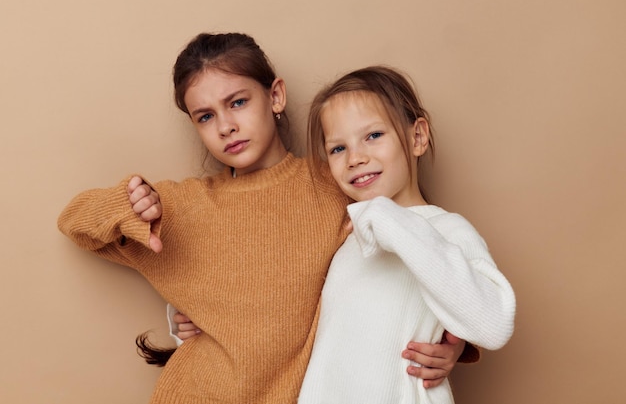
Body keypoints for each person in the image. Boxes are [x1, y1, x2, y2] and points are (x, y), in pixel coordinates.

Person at [57, 33, 473, 404]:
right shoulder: (183, 205)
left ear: (275, 96)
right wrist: (128, 206)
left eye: (238, 102)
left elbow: (419, 241)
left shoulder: (334, 181)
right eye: (205, 116)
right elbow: (73, 219)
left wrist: (454, 343)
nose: (226, 126)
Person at [297, 65, 517, 403]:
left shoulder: (447, 229)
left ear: (417, 137)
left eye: (373, 136)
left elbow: (493, 323)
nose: (355, 158)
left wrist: (390, 219)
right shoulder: (345, 238)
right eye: (338, 149)